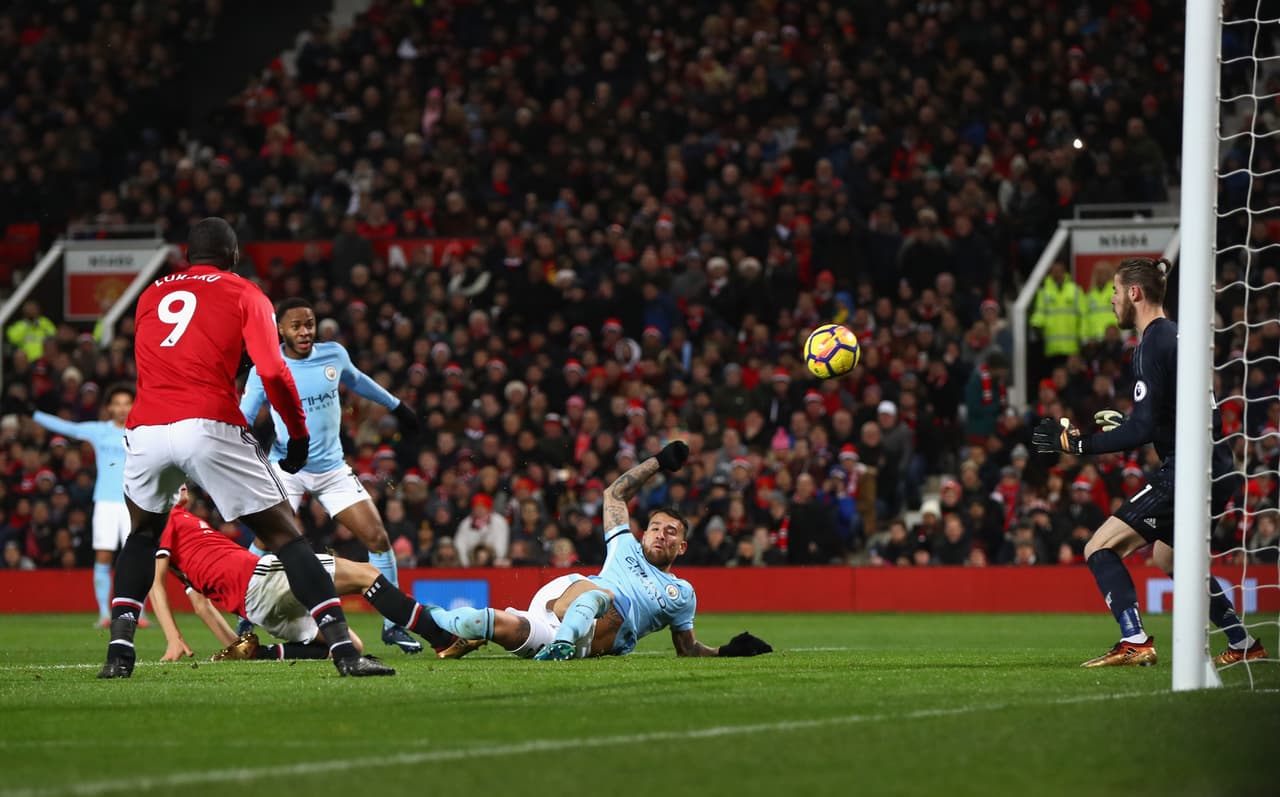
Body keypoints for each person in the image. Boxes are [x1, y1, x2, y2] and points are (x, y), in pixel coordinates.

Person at [98, 217, 391, 678]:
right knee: (285, 538)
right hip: (208, 421)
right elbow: (273, 372)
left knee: (140, 537)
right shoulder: (245, 293)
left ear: (187, 256)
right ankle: (345, 651)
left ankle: (119, 653)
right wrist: (296, 435)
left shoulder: (151, 294)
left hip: (147, 426)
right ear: (233, 255)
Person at [1032, 257, 1266, 667]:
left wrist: (1078, 445)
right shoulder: (1175, 337)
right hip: (1218, 466)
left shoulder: (1151, 343)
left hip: (1189, 470)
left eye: (1114, 292)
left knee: (1098, 547)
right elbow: (1160, 419)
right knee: (1169, 558)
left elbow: (1140, 431)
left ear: (1134, 294)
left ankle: (1134, 639)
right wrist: (1128, 423)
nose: (1112, 301)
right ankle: (1243, 641)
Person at [429, 441, 773, 661]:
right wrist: (657, 462)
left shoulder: (682, 594)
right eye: (654, 527)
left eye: (671, 532)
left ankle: (450, 630)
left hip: (583, 640)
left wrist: (727, 652)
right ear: (643, 534)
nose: (660, 535)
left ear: (681, 547)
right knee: (604, 595)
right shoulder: (624, 544)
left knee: (480, 620)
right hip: (571, 598)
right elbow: (614, 495)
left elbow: (687, 650)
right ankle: (424, 619)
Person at [239, 297, 423, 654]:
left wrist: (396, 406)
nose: (305, 331)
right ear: (280, 329)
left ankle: (392, 625)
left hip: (332, 469)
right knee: (264, 543)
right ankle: (245, 613)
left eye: (309, 323)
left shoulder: (333, 355)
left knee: (378, 538)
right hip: (287, 468)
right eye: (297, 325)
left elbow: (358, 380)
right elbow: (244, 417)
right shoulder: (266, 367)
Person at [148, 487, 453, 661]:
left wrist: (238, 648)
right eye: (173, 483)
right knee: (366, 574)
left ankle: (263, 655)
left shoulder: (184, 541)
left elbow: (201, 605)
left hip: (259, 608)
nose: (182, 486)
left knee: (350, 645)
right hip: (263, 579)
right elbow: (155, 585)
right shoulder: (165, 520)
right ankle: (442, 639)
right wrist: (173, 638)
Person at [26, 385, 142, 627]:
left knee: (136, 558)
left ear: (133, 405)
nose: (122, 408)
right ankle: (103, 614)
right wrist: (33, 414)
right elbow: (69, 428)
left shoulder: (141, 430)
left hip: (134, 502)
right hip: (106, 503)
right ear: (109, 407)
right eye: (117, 403)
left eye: (126, 403)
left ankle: (139, 613)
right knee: (103, 555)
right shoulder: (99, 431)